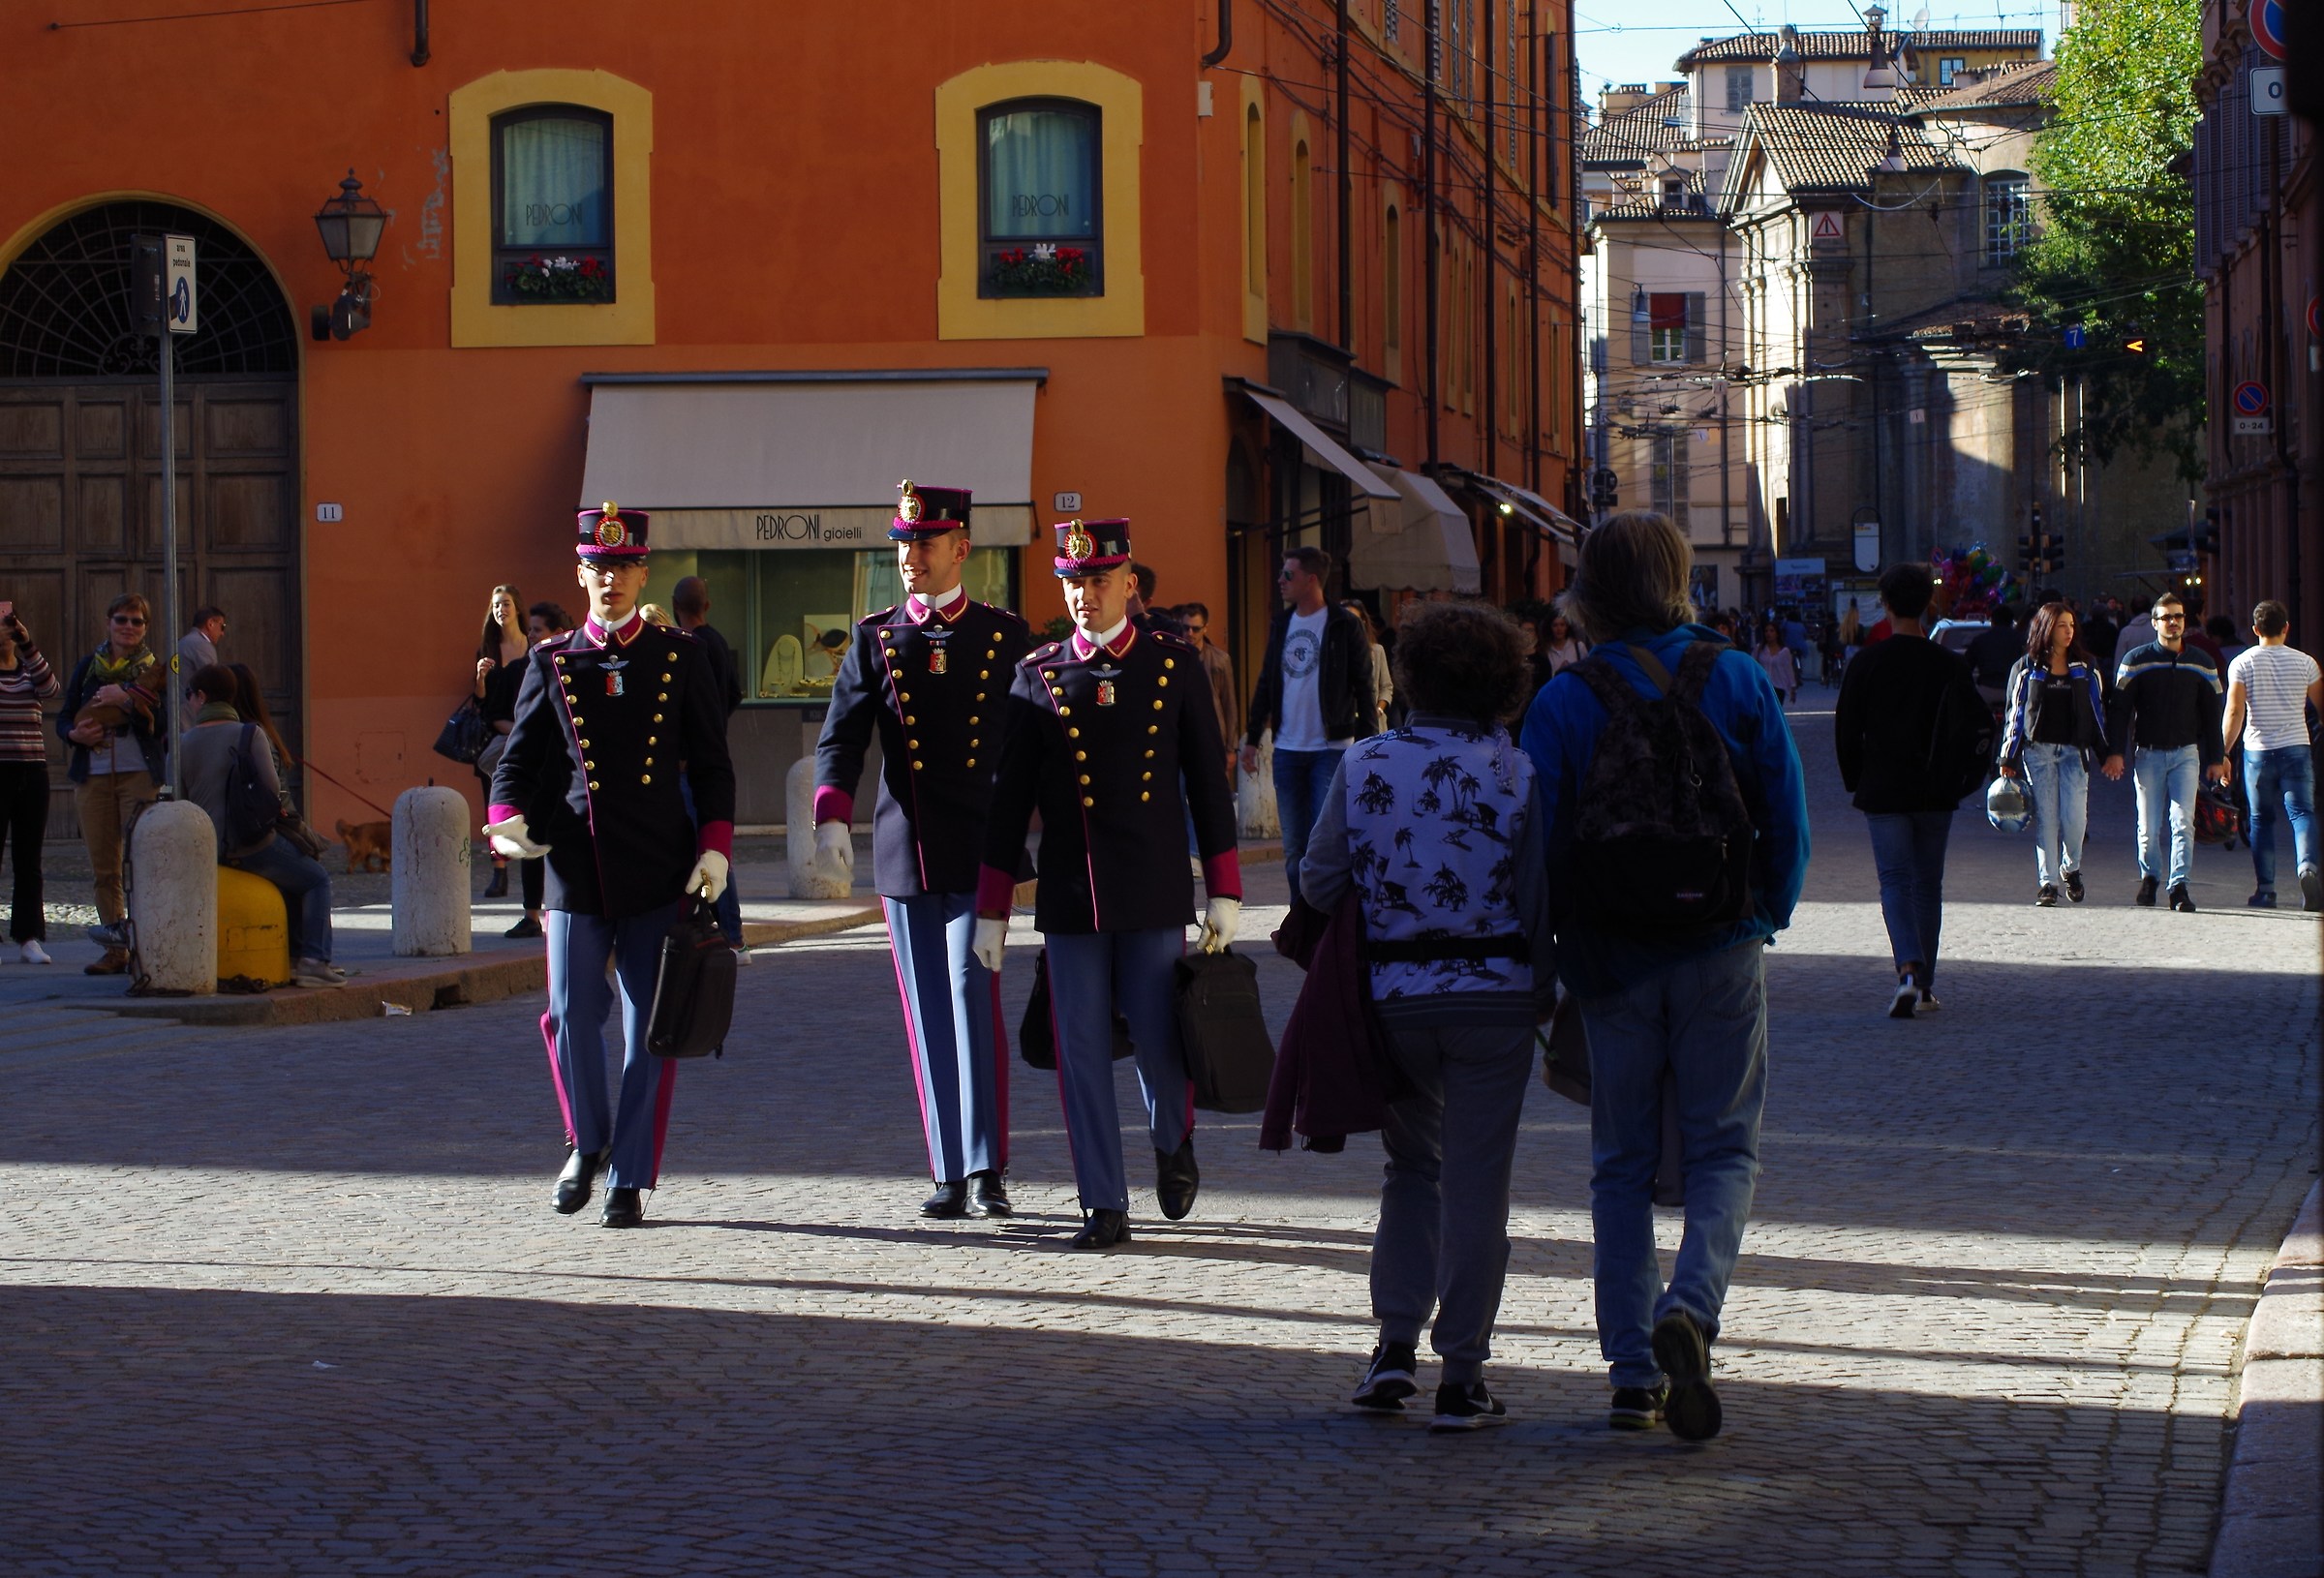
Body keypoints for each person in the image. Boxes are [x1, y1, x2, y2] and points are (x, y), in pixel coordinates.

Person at [1518, 510, 1810, 1442]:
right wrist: (1767, 912)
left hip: (1610, 954)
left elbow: (1538, 842)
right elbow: (1785, 812)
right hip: (1721, 940)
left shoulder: (1564, 700)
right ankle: (1693, 1304)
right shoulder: (1732, 674)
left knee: (1621, 1165)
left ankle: (1634, 1374)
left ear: (1589, 591)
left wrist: (1548, 950)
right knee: (1726, 1148)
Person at [1299, 601, 1553, 1432]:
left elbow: (1317, 881)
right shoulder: (1516, 772)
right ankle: (1465, 1375)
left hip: (1393, 999)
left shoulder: (1364, 761)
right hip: (1495, 1001)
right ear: (1501, 683)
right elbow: (1537, 898)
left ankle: (1394, 1348)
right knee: (1480, 1187)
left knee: (1412, 1170)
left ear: (1410, 676)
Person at [974, 518, 1241, 1251]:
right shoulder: (1039, 673)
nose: (1084, 594)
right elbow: (1008, 798)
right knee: (1081, 1049)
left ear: (1128, 583)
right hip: (1070, 894)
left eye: (1097, 580)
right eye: (1072, 581)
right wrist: (993, 906)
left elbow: (1207, 783)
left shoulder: (1173, 664)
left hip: (1152, 889)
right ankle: (1102, 1200)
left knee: (1159, 1041)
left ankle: (1170, 1138)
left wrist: (1224, 887)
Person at [486, 502, 736, 1229]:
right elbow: (520, 759)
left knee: (648, 1026)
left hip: (658, 863)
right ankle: (586, 1141)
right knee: (570, 1013)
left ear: (643, 573)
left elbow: (714, 765)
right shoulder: (552, 659)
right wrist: (504, 822)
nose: (611, 580)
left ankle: (630, 1174)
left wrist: (716, 844)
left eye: (624, 567)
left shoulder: (680, 656)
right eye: (598, 567)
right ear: (580, 572)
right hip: (575, 861)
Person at [814, 483, 1031, 1219]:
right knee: (927, 1012)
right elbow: (840, 737)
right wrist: (832, 818)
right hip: (907, 850)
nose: (910, 557)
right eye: (902, 544)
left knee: (975, 1000)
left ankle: (987, 1165)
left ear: (960, 548)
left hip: (980, 844)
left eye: (924, 543)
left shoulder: (1003, 635)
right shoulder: (875, 638)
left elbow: (1031, 738)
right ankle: (947, 1165)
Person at [1835, 563, 1990, 1016]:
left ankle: (1907, 969)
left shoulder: (1868, 661)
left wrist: (1854, 779)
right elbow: (1975, 724)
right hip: (1936, 789)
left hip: (1883, 789)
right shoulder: (1949, 664)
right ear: (1929, 605)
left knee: (1895, 883)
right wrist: (1963, 779)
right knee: (1928, 886)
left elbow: (1847, 728)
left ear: (1884, 604)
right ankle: (1924, 986)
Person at [180, 663, 343, 987]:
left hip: (210, 848)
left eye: (190, 696)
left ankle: (296, 958)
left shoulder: (183, 741)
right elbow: (271, 790)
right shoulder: (249, 733)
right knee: (315, 879)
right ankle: (312, 960)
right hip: (252, 843)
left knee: (292, 878)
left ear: (201, 697)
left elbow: (183, 801)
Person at [1241, 546, 1376, 899]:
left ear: (1311, 579)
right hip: (1287, 748)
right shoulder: (1281, 623)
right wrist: (1253, 738)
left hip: (1330, 750)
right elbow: (1267, 682)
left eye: (1288, 574)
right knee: (1293, 851)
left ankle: (1325, 921)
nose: (1280, 581)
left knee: (1324, 845)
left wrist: (1367, 746)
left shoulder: (1343, 625)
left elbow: (1364, 685)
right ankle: (1301, 921)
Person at [58, 592, 167, 976]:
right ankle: (115, 948)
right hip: (94, 776)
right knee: (104, 868)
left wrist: (127, 699)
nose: (128, 627)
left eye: (137, 622)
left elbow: (165, 724)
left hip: (139, 775)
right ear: (109, 623)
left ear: (146, 628)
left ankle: (149, 944)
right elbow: (64, 716)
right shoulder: (89, 667)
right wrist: (74, 736)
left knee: (143, 861)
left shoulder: (156, 669)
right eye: (122, 620)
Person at [2109, 594, 2227, 911]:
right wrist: (2115, 752)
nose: (2173, 622)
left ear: (2184, 621)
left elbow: (2212, 712)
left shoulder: (2202, 662)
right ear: (2154, 623)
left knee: (2182, 821)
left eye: (2178, 616)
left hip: (2186, 754)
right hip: (2147, 754)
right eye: (2166, 617)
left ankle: (2179, 887)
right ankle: (2150, 878)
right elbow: (2119, 710)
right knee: (2148, 826)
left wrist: (2216, 757)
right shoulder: (2136, 660)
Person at [1999, 602, 2111, 907]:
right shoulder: (2027, 667)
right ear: (2047, 628)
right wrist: (2008, 757)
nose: (2068, 631)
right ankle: (2047, 883)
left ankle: (2070, 868)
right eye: (2062, 625)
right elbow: (2016, 714)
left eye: (2072, 625)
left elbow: (2098, 712)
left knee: (2075, 819)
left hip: (2075, 752)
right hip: (2039, 752)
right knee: (2047, 818)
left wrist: (2107, 753)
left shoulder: (2086, 667)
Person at [2222, 600, 2323, 910]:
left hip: (2258, 751)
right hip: (2296, 747)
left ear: (2255, 630)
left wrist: (2222, 752)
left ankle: (2265, 890)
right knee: (2302, 813)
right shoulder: (2307, 663)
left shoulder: (2242, 663)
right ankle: (2307, 868)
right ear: (2286, 628)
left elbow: (2235, 711)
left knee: (2261, 820)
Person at [672, 574, 746, 957]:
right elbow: (735, 692)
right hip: (714, 749)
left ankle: (729, 931)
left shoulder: (688, 647)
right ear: (708, 605)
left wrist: (695, 741)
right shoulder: (717, 642)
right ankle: (729, 931)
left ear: (674, 605)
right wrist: (717, 724)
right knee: (713, 847)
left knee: (707, 847)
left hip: (691, 763)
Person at [474, 585, 545, 938]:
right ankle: (499, 870)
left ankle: (535, 904)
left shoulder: (534, 651)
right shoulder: (489, 648)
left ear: (517, 608)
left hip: (532, 738)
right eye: (496, 605)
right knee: (498, 805)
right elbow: (484, 707)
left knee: (533, 817)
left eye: (506, 604)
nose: (501, 610)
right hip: (500, 738)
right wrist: (481, 678)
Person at [0, 605, 60, 963]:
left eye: (7, 623)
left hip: (32, 771)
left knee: (29, 858)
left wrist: (27, 643)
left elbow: (51, 688)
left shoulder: (29, 672)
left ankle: (29, 937)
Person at [1177, 601, 1239, 787]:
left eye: (1195, 629)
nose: (1190, 633)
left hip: (1213, 737)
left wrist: (1231, 748)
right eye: (1186, 628)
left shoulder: (1220, 660)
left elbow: (1229, 705)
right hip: (1181, 738)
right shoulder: (1173, 657)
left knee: (1213, 793)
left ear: (1205, 629)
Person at [1344, 599, 1395, 733]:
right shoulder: (1333, 653)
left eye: (1355, 619)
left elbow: (1386, 686)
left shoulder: (1377, 651)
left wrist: (1379, 709)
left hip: (1371, 721)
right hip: (1344, 723)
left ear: (1363, 622)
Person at [1964, 603, 2021, 709]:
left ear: (1992, 621)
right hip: (2014, 689)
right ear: (2011, 622)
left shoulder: (1980, 640)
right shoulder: (2020, 640)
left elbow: (1967, 666)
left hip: (1986, 690)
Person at [177, 605, 226, 701]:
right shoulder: (202, 645)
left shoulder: (183, 642)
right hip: (192, 710)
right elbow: (212, 683)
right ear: (210, 623)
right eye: (222, 626)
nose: (222, 633)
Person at [1752, 622, 1798, 704]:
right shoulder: (1759, 649)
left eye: (1771, 631)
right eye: (1766, 631)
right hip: (1763, 686)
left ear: (1777, 634)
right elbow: (1752, 664)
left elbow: (1788, 669)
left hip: (1778, 687)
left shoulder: (1784, 651)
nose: (1768, 633)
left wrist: (1793, 688)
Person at [1544, 612, 1589, 677]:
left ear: (1567, 627)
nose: (1559, 629)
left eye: (1562, 625)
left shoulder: (1578, 646)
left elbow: (1586, 670)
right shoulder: (1546, 649)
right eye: (1555, 625)